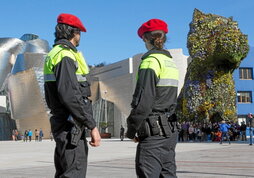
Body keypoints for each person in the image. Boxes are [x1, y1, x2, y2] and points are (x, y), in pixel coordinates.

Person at [44, 13, 101, 178]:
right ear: (73, 33)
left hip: (65, 124)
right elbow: (70, 95)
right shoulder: (65, 55)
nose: (80, 36)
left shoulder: (56, 53)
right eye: (79, 33)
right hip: (70, 127)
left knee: (65, 171)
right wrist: (92, 125)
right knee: (74, 173)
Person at [126, 19, 179, 178]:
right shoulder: (170, 62)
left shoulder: (151, 62)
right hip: (169, 132)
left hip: (153, 133)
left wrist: (131, 129)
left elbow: (144, 102)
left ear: (144, 39)